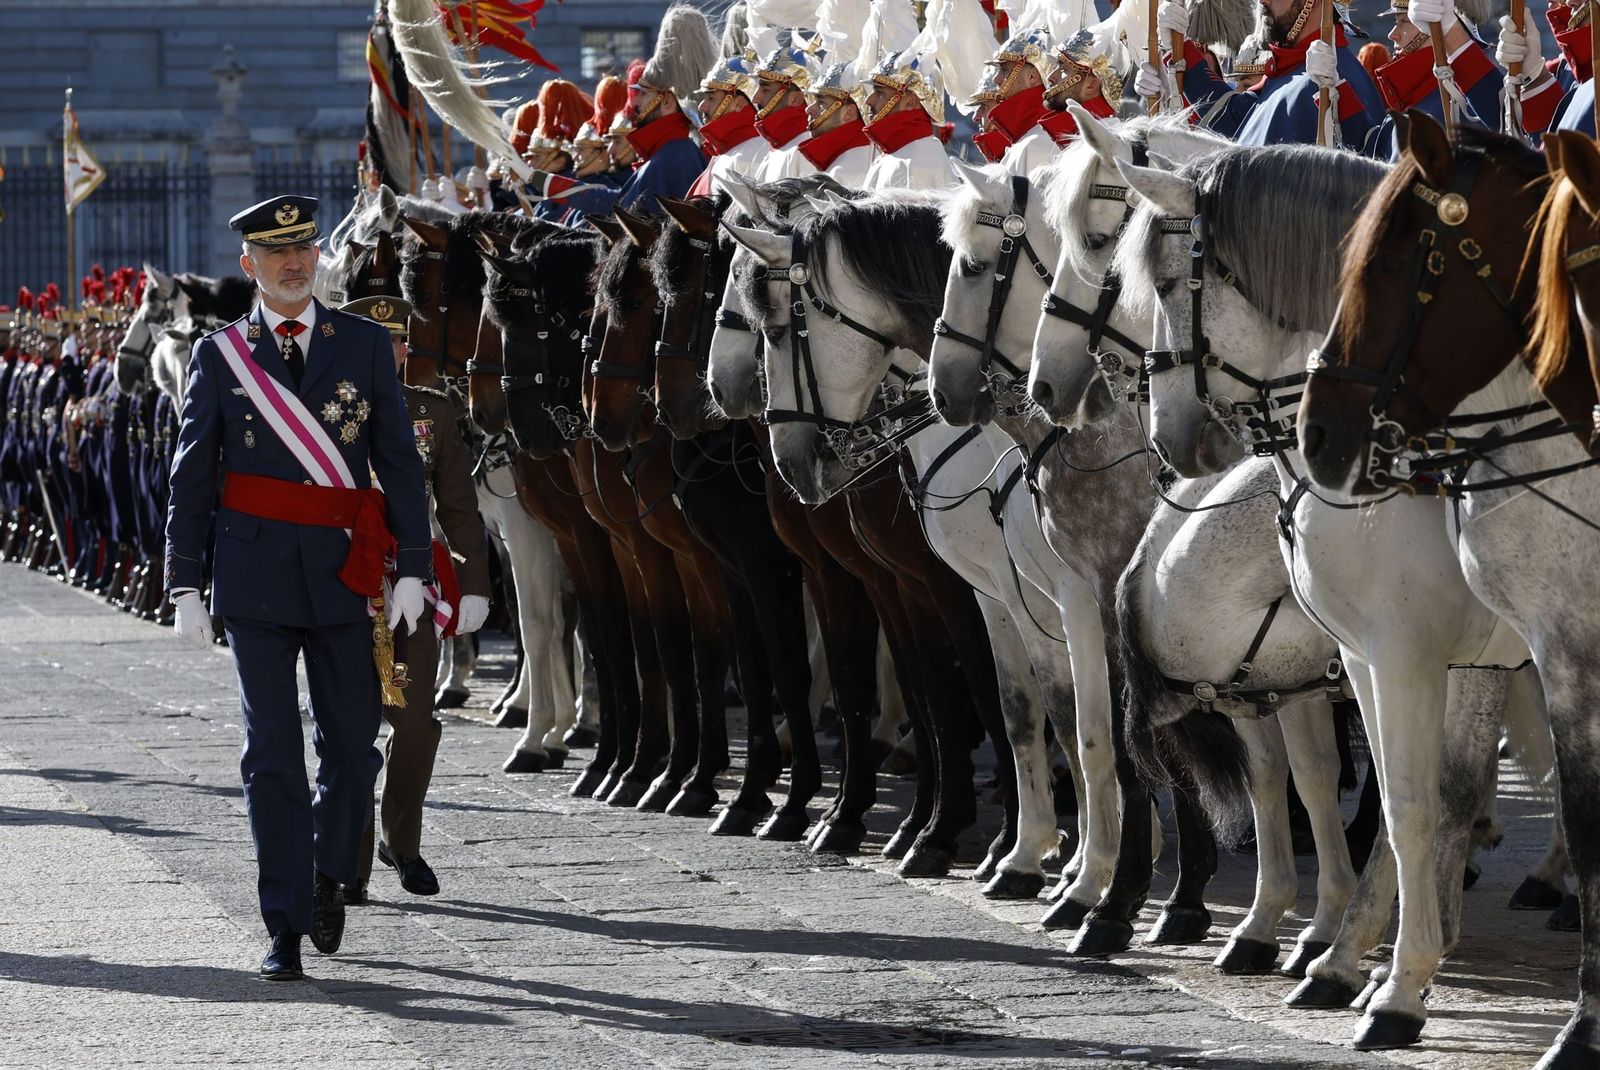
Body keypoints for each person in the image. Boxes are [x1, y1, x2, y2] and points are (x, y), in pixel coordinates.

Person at [164, 195, 432, 982]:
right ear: (248, 264)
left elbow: (399, 461)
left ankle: (324, 868)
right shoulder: (220, 357)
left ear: (319, 256)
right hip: (252, 580)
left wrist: (412, 564)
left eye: (305, 249)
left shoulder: (362, 345)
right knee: (271, 756)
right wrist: (185, 583)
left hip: (344, 572)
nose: (294, 263)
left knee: (352, 749)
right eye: (276, 253)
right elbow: (192, 478)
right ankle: (282, 922)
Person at [337, 294, 491, 906]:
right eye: (375, 342)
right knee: (346, 727)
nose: (390, 352)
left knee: (416, 721)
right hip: (344, 586)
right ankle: (348, 859)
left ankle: (401, 841)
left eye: (396, 342)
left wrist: (475, 581)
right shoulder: (323, 412)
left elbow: (457, 503)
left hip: (412, 584)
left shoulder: (430, 411)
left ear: (405, 349)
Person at [1146, 0, 1385, 146]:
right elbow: (1231, 121)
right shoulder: (1287, 71)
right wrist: (1178, 49)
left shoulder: (1339, 77)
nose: (1263, 0)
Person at [616, 6, 717, 214]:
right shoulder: (672, 153)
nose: (636, 103)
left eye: (644, 94)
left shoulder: (677, 155)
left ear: (667, 102)